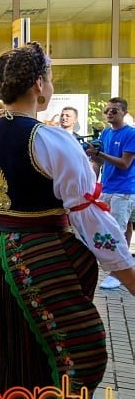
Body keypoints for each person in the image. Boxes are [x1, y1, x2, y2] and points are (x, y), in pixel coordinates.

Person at [0, 42, 135, 399]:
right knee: (29, 366)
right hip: (36, 266)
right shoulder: (53, 140)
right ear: (38, 85)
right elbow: (90, 221)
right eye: (48, 77)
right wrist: (128, 274)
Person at [86, 97, 135, 290]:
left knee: (116, 229)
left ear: (124, 112)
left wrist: (99, 155)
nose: (109, 113)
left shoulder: (130, 134)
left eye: (114, 110)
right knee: (125, 226)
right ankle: (126, 264)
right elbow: (100, 161)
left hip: (124, 189)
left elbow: (124, 163)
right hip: (108, 187)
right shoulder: (106, 132)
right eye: (107, 110)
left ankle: (118, 273)